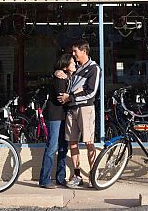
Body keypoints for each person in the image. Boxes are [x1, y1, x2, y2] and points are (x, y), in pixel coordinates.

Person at [56, 39, 101, 188]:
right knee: (72, 142)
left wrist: (71, 97)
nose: (73, 54)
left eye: (75, 51)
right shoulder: (74, 68)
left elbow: (91, 92)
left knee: (89, 142)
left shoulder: (94, 68)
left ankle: (94, 176)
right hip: (71, 109)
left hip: (85, 109)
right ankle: (77, 175)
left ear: (84, 51)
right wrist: (57, 71)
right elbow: (67, 81)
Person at [38, 53, 74, 189]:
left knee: (63, 146)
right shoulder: (60, 78)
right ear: (65, 66)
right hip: (55, 115)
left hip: (64, 115)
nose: (75, 64)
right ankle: (44, 179)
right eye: (72, 63)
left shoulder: (69, 77)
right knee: (52, 146)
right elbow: (61, 98)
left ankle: (60, 177)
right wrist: (72, 98)